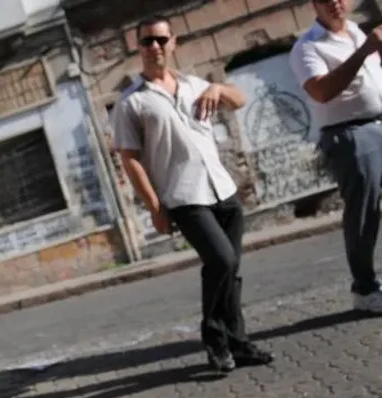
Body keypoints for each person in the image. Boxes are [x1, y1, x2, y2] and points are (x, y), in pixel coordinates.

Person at [111, 14, 274, 373]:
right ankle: (215, 339)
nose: (154, 46)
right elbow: (130, 159)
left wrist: (216, 89)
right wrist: (155, 207)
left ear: (173, 43)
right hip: (184, 197)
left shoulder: (193, 84)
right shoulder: (131, 102)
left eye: (161, 39)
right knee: (221, 261)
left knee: (230, 270)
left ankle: (238, 343)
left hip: (223, 188)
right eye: (147, 41)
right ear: (138, 48)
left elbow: (239, 99)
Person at [290, 0, 382, 312]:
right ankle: (365, 288)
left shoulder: (355, 31)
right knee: (364, 212)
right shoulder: (307, 47)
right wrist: (364, 52)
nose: (334, 3)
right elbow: (322, 91)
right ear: (314, 4)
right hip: (351, 134)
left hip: (379, 122)